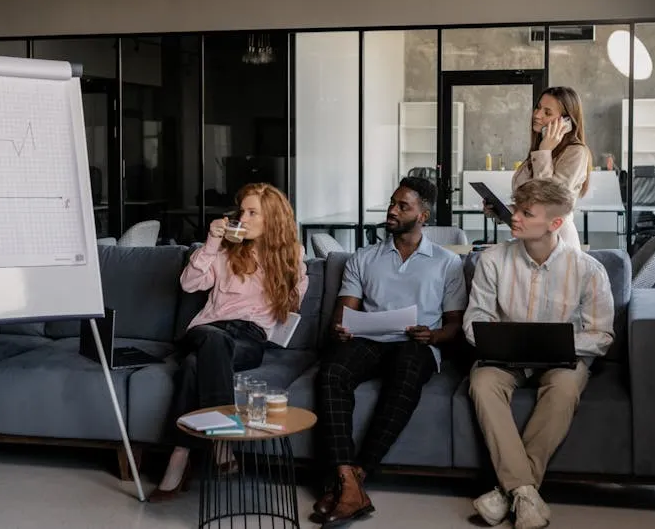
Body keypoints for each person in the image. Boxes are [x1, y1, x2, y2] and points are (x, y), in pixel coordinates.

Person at [313, 176, 468, 525]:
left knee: (408, 369)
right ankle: (347, 479)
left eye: (403, 206)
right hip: (369, 340)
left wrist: (434, 335)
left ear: (423, 215)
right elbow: (345, 310)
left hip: (417, 344)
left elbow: (455, 326)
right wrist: (341, 326)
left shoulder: (447, 263)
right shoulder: (363, 258)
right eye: (392, 204)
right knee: (332, 371)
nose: (392, 211)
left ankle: (354, 479)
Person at [464, 179, 614, 529]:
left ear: (555, 223)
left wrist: (556, 342)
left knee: (564, 387)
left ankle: (508, 492)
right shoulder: (492, 260)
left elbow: (602, 336)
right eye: (516, 209)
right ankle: (526, 495)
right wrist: (506, 340)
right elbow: (475, 320)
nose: (513, 217)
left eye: (525, 213)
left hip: (562, 359)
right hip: (505, 358)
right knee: (482, 381)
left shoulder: (588, 270)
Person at [152, 183, 309, 500]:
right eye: (242, 212)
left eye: (253, 213)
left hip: (250, 337)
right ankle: (222, 443)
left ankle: (179, 457)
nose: (244, 218)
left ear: (273, 220)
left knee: (195, 366)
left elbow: (292, 306)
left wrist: (283, 271)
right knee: (212, 339)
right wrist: (212, 241)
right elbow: (189, 284)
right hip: (208, 329)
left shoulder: (292, 255)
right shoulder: (224, 251)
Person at [490, 86, 593, 248]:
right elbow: (531, 206)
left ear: (566, 122)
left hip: (558, 242)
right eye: (538, 108)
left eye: (547, 112)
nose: (537, 115)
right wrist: (503, 210)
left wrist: (545, 151)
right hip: (532, 242)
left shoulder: (576, 152)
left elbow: (550, 201)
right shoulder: (539, 151)